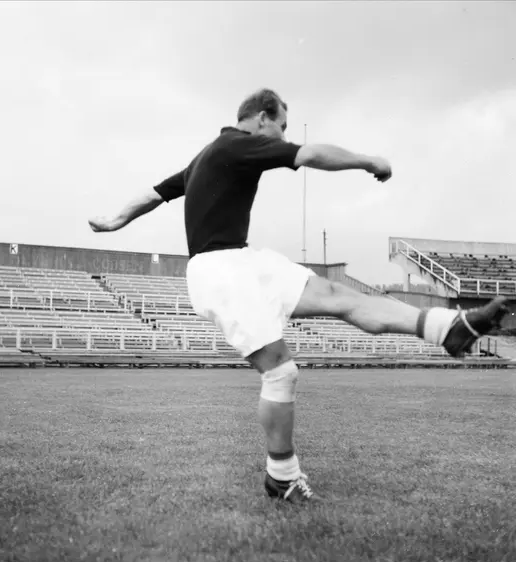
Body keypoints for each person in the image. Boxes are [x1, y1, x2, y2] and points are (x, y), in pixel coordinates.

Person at [89, 89, 509, 503]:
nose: (283, 136)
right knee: (280, 373)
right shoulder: (238, 145)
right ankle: (282, 477)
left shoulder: (208, 155)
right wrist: (369, 161)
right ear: (262, 117)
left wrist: (114, 220)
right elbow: (308, 154)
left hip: (243, 260)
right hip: (219, 271)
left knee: (336, 294)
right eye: (282, 126)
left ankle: (448, 328)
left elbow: (153, 194)